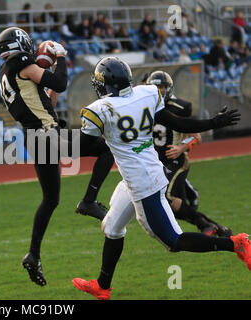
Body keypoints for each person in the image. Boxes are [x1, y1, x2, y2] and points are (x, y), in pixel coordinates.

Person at [71, 56, 247, 300]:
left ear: (106, 84)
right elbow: (177, 122)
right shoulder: (147, 93)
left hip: (143, 184)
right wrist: (214, 122)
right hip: (138, 177)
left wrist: (48, 137)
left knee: (174, 241)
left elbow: (81, 148)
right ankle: (102, 286)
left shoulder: (99, 110)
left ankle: (235, 243)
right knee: (112, 228)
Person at [0, 27, 114, 286]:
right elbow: (60, 81)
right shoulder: (22, 63)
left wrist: (48, 79)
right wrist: (60, 56)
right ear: (20, 44)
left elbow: (45, 100)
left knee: (50, 200)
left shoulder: (5, 74)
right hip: (47, 135)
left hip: (34, 138)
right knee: (106, 148)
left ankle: (33, 255)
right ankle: (89, 200)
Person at [146, 71, 232, 237]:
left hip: (176, 161)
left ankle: (203, 224)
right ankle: (219, 229)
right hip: (156, 164)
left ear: (169, 88)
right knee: (177, 207)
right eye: (155, 87)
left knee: (167, 197)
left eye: (162, 87)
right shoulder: (144, 107)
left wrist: (181, 148)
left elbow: (196, 137)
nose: (159, 90)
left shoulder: (180, 107)